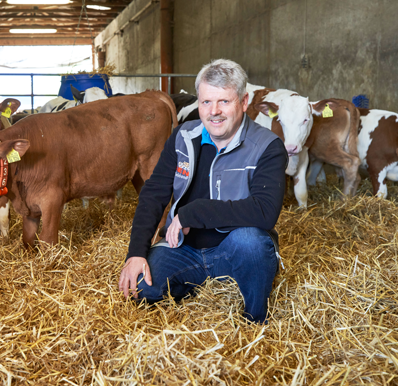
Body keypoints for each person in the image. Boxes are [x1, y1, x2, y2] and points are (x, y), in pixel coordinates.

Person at [118, 59, 287, 323]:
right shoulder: (183, 136)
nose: (214, 112)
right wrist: (136, 252)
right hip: (184, 247)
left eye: (224, 102)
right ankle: (194, 282)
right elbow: (154, 193)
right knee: (142, 287)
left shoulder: (267, 146)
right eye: (206, 102)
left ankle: (255, 321)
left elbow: (264, 212)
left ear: (243, 102)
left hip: (234, 248)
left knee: (252, 244)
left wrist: (192, 213)